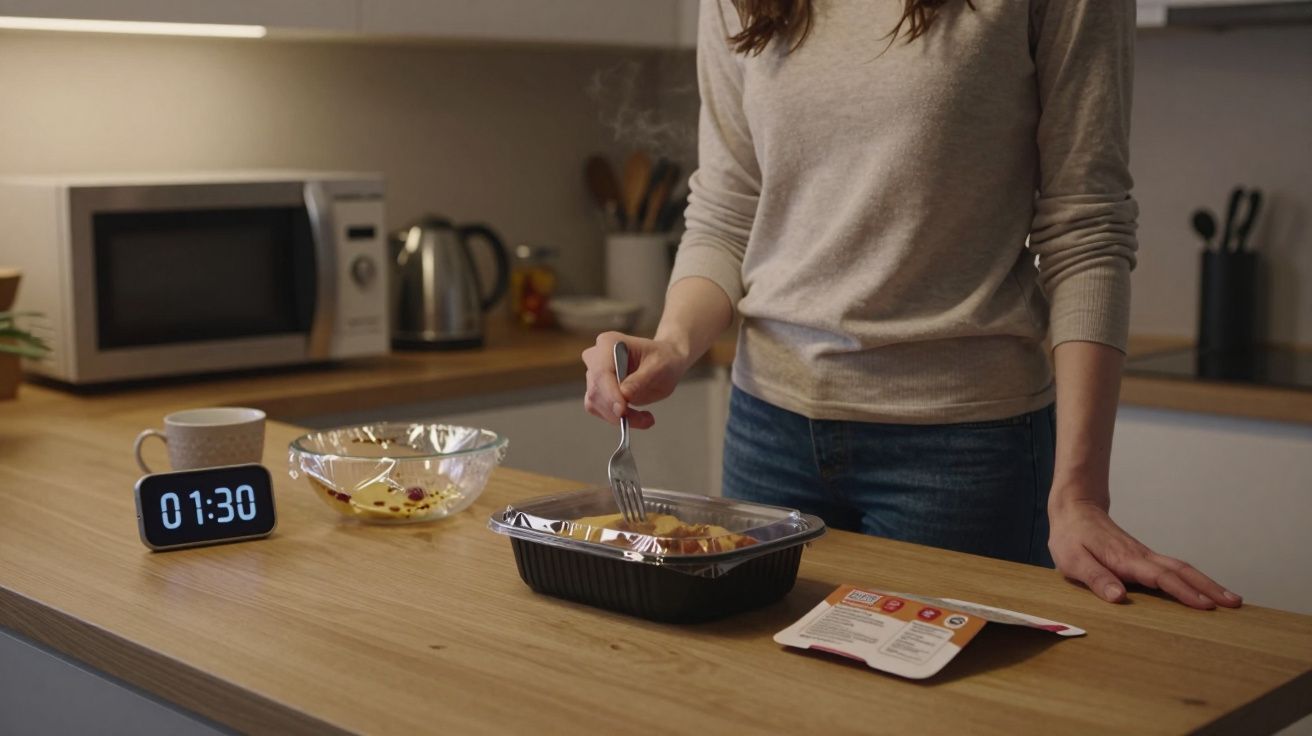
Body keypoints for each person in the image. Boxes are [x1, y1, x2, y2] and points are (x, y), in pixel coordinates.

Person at [582, 0, 1240, 610]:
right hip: (767, 433)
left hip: (963, 453)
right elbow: (728, 210)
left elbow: (1086, 227)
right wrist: (672, 345)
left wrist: (1079, 493)